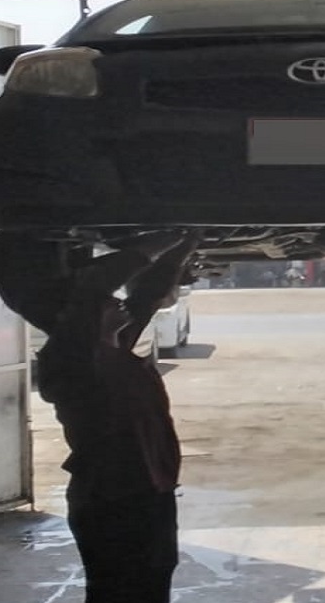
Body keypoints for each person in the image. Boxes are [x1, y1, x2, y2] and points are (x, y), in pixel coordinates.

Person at [30, 231, 199, 603]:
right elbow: (92, 289)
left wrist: (183, 246)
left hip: (147, 491)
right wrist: (154, 246)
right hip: (111, 498)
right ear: (81, 318)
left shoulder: (113, 349)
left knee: (154, 578)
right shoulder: (71, 362)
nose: (119, 302)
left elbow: (146, 297)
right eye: (110, 302)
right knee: (117, 589)